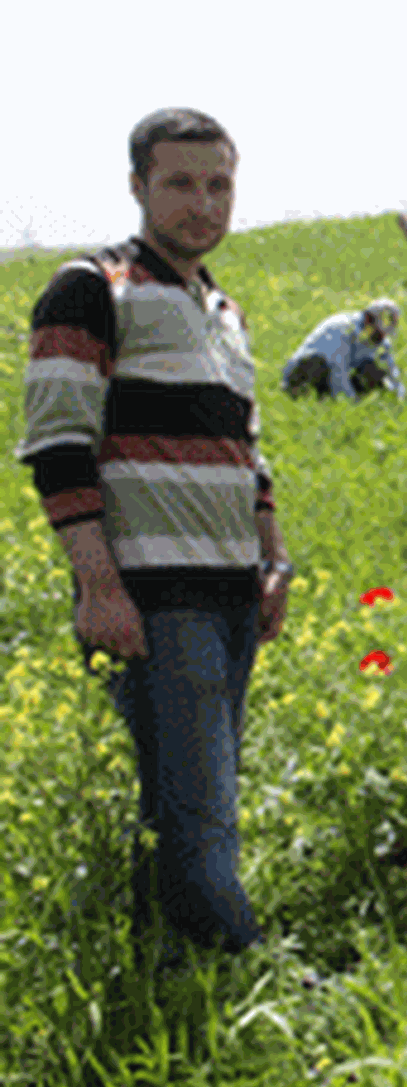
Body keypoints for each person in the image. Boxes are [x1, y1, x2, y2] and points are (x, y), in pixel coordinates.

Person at [14, 108, 292, 968]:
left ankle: (170, 958)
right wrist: (99, 585)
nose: (202, 203)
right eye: (179, 182)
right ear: (138, 187)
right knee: (201, 796)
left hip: (229, 585)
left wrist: (273, 557)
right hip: (150, 588)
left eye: (219, 184)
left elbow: (246, 449)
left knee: (189, 788)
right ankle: (240, 964)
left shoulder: (225, 309)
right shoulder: (91, 288)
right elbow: (58, 444)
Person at [281, 299, 405, 401]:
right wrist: (352, 401)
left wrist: (399, 396)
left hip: (334, 377)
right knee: (317, 364)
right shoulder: (342, 327)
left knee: (372, 369)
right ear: (368, 319)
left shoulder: (379, 340)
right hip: (308, 369)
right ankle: (298, 393)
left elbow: (391, 370)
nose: (379, 339)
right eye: (377, 334)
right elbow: (337, 369)